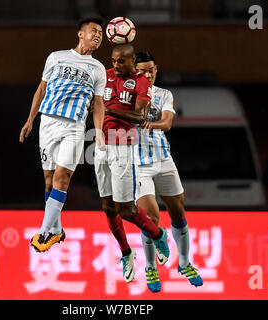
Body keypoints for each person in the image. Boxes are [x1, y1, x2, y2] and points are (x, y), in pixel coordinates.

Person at [19, 17, 106, 253]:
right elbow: (41, 89)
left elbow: (98, 104)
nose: (98, 35)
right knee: (48, 180)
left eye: (101, 33)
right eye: (94, 31)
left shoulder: (98, 69)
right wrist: (30, 119)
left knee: (62, 178)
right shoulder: (56, 57)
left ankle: (44, 232)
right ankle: (57, 230)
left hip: (74, 127)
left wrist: (98, 131)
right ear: (80, 33)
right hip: (48, 122)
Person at [94, 44, 170, 283]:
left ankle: (158, 235)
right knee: (108, 208)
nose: (116, 65)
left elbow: (140, 118)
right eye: (113, 60)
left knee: (126, 209)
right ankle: (127, 253)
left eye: (121, 61)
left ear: (132, 61)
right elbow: (93, 105)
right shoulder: (103, 76)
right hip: (100, 144)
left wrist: (109, 111)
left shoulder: (141, 82)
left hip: (123, 143)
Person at [135, 51, 203, 292]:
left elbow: (167, 123)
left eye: (151, 69)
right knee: (150, 218)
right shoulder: (126, 95)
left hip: (164, 161)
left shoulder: (164, 94)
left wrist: (147, 124)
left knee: (178, 212)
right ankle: (151, 267)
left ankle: (184, 263)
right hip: (138, 166)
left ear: (156, 69)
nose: (148, 74)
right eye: (142, 70)